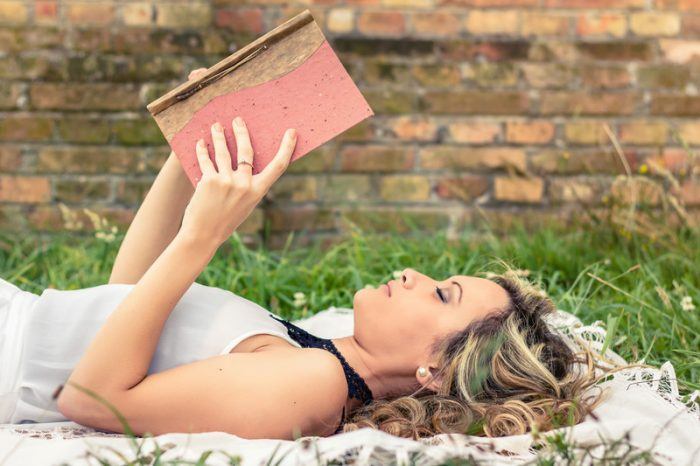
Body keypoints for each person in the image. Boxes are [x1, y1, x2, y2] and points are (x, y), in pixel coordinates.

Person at [0, 71, 610, 441]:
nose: (413, 274)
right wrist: (191, 155)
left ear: (439, 370)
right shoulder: (312, 354)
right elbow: (125, 300)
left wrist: (203, 237)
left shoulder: (312, 386)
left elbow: (92, 400)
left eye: (442, 292)